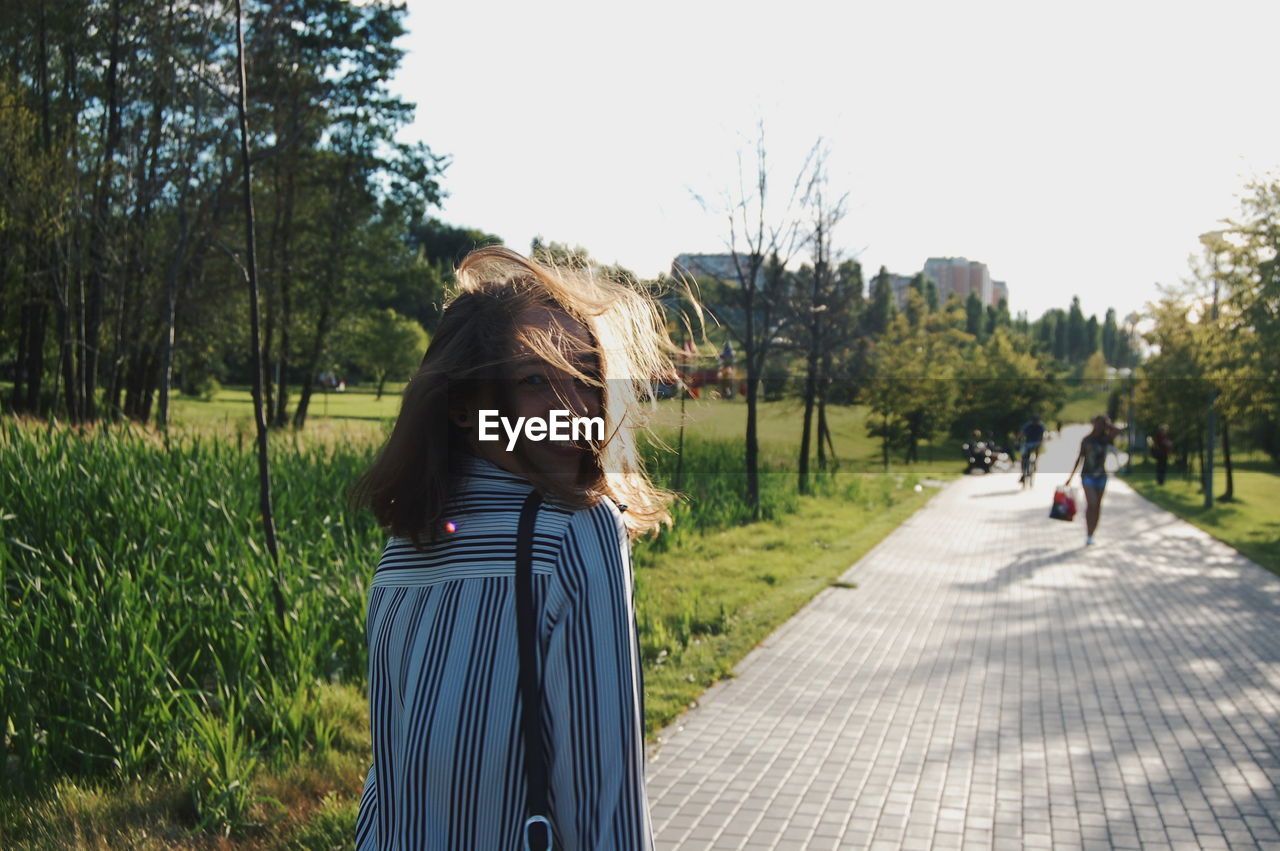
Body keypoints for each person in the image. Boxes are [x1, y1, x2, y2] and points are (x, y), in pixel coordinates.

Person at [351, 246, 675, 850]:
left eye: (585, 374)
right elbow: (607, 803)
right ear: (460, 404)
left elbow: (391, 776)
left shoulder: (406, 536)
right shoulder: (577, 530)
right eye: (534, 380)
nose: (576, 409)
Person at [1065, 414, 1123, 545]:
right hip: (1087, 476)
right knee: (1092, 503)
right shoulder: (1086, 440)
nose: (1100, 426)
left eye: (1102, 424)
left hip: (1101, 476)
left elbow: (1119, 431)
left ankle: (1091, 533)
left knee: (1097, 506)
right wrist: (1070, 477)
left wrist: (1109, 425)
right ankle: (1088, 530)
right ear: (1094, 424)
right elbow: (1079, 459)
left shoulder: (1106, 439)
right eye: (1098, 423)